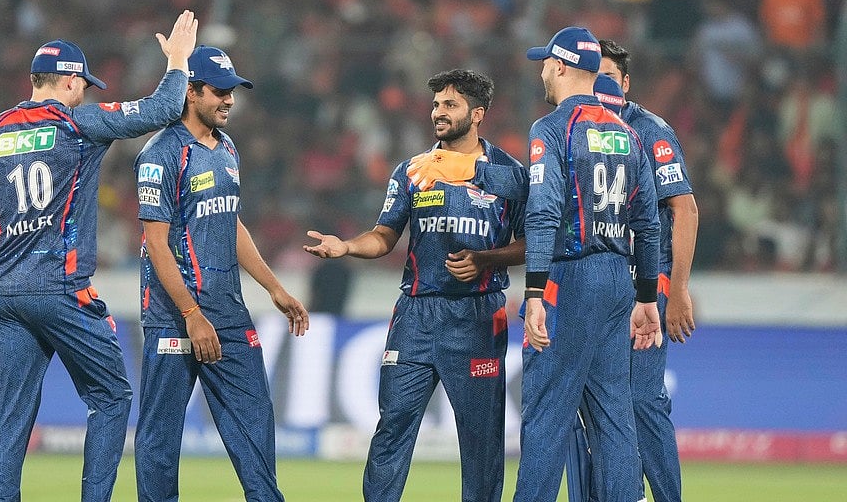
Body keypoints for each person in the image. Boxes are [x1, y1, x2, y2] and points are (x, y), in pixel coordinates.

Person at [0, 10, 200, 502]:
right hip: (60, 288)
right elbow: (164, 108)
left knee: (9, 414)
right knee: (112, 394)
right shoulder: (79, 123)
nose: (88, 93)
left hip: (2, 291)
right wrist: (178, 60)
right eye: (85, 84)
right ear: (71, 81)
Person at [304, 69, 529, 502]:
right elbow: (385, 235)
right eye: (435, 105)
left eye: (450, 105)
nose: (438, 113)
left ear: (477, 114)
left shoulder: (509, 175)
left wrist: (484, 260)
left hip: (478, 316)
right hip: (416, 316)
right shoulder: (412, 170)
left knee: (481, 442)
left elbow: (533, 244)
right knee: (392, 429)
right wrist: (346, 246)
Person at [133, 45, 310, 502]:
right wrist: (191, 313)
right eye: (219, 91)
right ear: (190, 92)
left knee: (255, 428)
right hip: (176, 315)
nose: (229, 100)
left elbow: (230, 225)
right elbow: (156, 243)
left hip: (228, 313)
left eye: (233, 91)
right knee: (159, 442)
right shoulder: (161, 153)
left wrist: (274, 288)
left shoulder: (227, 148)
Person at [513, 26, 662, 502]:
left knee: (545, 413)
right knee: (614, 415)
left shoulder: (551, 128)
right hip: (619, 278)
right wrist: (645, 298)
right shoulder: (627, 132)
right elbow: (650, 224)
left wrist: (535, 292)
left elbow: (543, 211)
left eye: (545, 63)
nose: (542, 70)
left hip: (568, 278)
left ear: (558, 66)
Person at [566, 39, 699, 502]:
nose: (600, 85)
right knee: (582, 405)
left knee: (641, 399)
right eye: (592, 75)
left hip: (645, 285)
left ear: (625, 83)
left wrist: (677, 289)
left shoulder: (650, 130)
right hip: (590, 280)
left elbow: (684, 207)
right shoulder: (572, 127)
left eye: (609, 77)